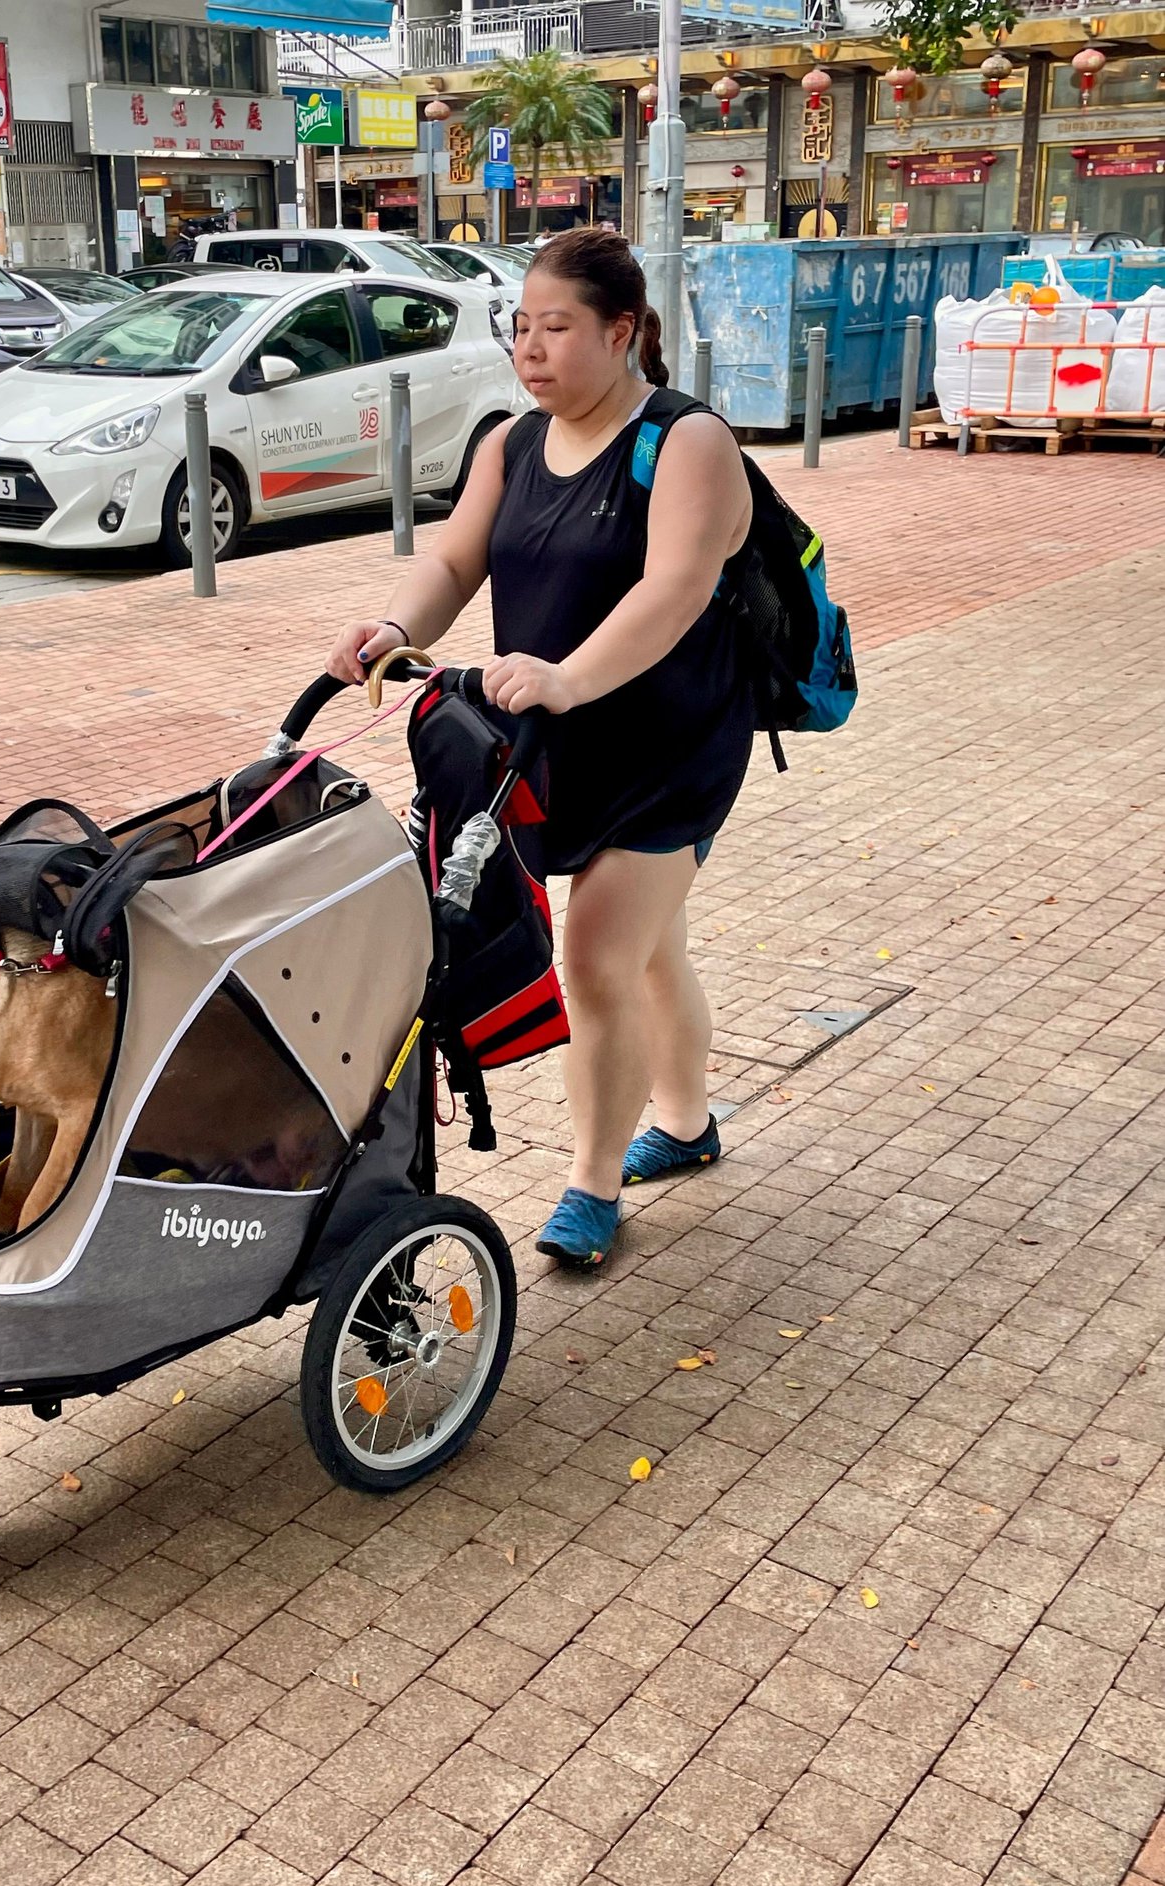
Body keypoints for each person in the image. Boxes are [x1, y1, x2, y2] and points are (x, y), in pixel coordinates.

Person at [325, 227, 753, 1270]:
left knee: (599, 956)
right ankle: (687, 1123)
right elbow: (455, 560)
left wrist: (568, 675)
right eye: (521, 326)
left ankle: (593, 1183)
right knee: (651, 949)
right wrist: (395, 628)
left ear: (620, 331)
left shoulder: (686, 442)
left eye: (556, 327)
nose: (531, 348)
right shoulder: (512, 445)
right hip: (551, 745)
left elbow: (676, 589)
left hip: (670, 747)